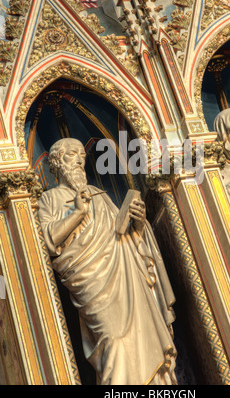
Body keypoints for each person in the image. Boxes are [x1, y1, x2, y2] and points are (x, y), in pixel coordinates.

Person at [38, 138, 177, 385]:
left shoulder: (99, 195)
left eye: (82, 154)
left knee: (143, 337)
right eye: (72, 155)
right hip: (90, 283)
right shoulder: (49, 199)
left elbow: (129, 238)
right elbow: (48, 243)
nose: (80, 160)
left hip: (125, 275)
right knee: (113, 341)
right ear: (57, 163)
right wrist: (77, 212)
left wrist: (137, 222)